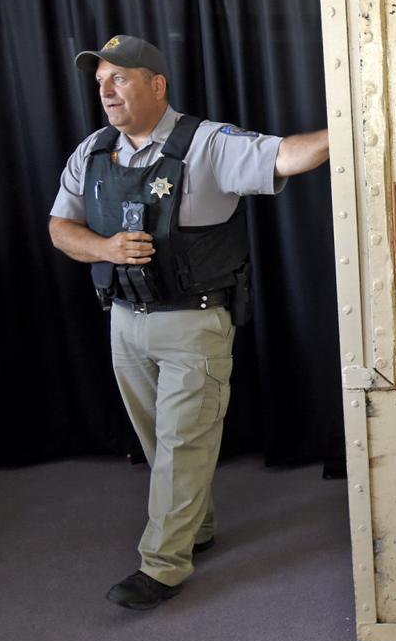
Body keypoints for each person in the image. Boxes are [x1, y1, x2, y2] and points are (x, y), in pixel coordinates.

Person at [48, 34, 329, 610]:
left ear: (157, 85)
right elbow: (60, 227)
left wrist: (351, 125)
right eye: (100, 81)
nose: (106, 91)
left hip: (192, 327)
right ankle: (194, 528)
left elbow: (285, 156)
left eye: (119, 79)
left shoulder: (205, 144)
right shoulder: (93, 151)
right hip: (124, 323)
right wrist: (105, 250)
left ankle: (162, 567)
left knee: (180, 444)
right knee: (160, 443)